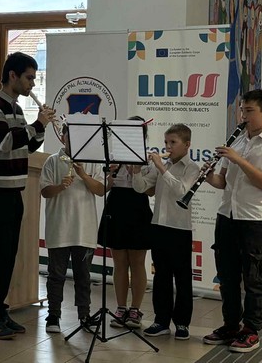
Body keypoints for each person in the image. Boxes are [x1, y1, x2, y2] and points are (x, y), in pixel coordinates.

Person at [0, 52, 55, 340]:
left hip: (11, 189)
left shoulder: (16, 109)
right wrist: (38, 124)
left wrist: (41, 127)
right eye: (29, 78)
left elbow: (27, 147)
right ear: (13, 76)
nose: (32, 84)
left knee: (8, 255)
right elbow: (7, 143)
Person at [202, 89, 262, 353]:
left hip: (255, 220)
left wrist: (239, 160)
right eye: (242, 110)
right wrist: (208, 175)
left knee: (254, 278)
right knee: (227, 277)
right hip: (227, 215)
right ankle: (230, 325)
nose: (243, 116)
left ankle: (251, 330)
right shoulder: (238, 141)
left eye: (249, 111)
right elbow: (222, 182)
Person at [131, 124, 200, 341]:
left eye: (173, 142)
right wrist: (136, 171)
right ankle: (161, 320)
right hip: (159, 226)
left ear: (187, 145)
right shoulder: (163, 165)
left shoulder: (192, 168)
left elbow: (182, 190)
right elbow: (141, 188)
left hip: (179, 228)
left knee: (182, 277)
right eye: (166, 142)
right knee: (161, 275)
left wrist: (161, 167)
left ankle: (182, 323)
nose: (168, 147)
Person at [40, 124, 104, 333]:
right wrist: (60, 186)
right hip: (59, 228)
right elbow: (45, 192)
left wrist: (83, 175)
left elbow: (101, 190)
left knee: (83, 276)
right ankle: (53, 316)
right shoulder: (52, 161)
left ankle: (84, 315)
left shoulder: (91, 161)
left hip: (84, 229)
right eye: (70, 136)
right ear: (63, 137)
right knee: (56, 275)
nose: (74, 140)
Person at [97, 115, 153, 330]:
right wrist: (110, 174)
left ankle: (135, 309)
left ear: (143, 135)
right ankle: (121, 307)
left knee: (137, 261)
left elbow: (150, 190)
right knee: (119, 261)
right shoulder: (113, 156)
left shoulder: (148, 157)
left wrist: (136, 171)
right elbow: (104, 187)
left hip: (138, 205)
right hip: (116, 204)